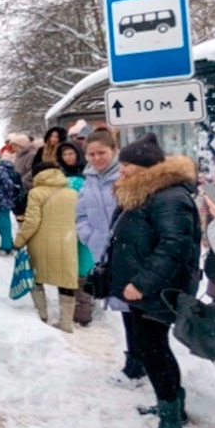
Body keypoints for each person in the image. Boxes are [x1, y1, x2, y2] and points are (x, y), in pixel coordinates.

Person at [108, 133, 200, 428]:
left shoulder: (170, 197)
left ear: (147, 168)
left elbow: (174, 247)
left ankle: (171, 418)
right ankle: (171, 402)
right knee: (152, 348)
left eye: (126, 168)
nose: (120, 173)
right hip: (142, 289)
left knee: (153, 350)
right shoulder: (146, 193)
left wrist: (141, 283)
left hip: (158, 290)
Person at [78, 129, 142, 378]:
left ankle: (142, 361)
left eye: (101, 153)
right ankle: (135, 359)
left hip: (131, 254)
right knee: (126, 311)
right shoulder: (89, 180)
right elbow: (81, 215)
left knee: (137, 311)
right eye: (91, 154)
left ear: (115, 151)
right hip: (105, 255)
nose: (96, 158)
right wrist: (90, 237)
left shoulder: (128, 176)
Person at [14, 161, 79, 332]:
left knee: (36, 278)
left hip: (41, 242)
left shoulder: (36, 193)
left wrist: (19, 240)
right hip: (67, 243)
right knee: (66, 281)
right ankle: (66, 322)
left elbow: (32, 222)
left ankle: (41, 315)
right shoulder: (72, 193)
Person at [56, 141, 94, 326]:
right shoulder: (58, 177)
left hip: (84, 229)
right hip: (64, 229)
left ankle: (83, 313)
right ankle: (68, 312)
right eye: (65, 155)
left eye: (71, 153)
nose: (68, 157)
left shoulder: (89, 175)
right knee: (66, 270)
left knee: (83, 269)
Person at [0, 149, 23, 255]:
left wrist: (2, 196)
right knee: (0, 224)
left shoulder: (1, 169)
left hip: (2, 201)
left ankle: (6, 247)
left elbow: (8, 185)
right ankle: (8, 243)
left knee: (3, 224)